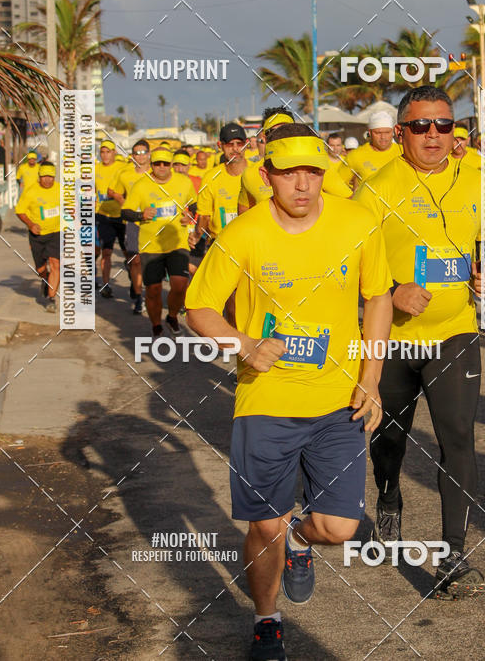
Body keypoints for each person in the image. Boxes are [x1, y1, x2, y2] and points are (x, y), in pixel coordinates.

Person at [185, 123, 392, 661]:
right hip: (266, 401)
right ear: (266, 174)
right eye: (289, 173)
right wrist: (244, 344)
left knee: (339, 527)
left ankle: (299, 539)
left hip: (337, 399)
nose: (302, 184)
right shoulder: (245, 233)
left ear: (325, 174)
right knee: (263, 524)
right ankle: (267, 620)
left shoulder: (358, 222)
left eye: (313, 172)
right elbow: (199, 307)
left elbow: (377, 298)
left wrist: (371, 378)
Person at [356, 85, 485, 600]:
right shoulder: (376, 188)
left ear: (454, 130)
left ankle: (453, 554)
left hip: (455, 332)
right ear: (402, 132)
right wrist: (391, 289)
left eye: (443, 124)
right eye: (419, 126)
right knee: (390, 438)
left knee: (458, 437)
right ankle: (388, 496)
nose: (432, 135)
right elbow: (349, 268)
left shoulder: (479, 177)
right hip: (395, 341)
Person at [121, 148, 197, 336]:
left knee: (180, 284)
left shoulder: (183, 182)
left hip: (178, 242)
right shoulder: (141, 185)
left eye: (165, 163)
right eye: (157, 164)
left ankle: (172, 316)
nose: (161, 167)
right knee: (154, 290)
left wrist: (190, 214)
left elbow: (194, 204)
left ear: (171, 164)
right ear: (152, 165)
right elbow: (125, 211)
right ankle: (156, 325)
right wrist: (141, 214)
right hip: (150, 245)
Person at [109, 139, 152, 315]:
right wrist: (123, 202)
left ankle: (150, 294)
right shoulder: (125, 174)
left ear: (149, 154)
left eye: (143, 152)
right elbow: (113, 191)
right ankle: (139, 296)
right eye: (136, 153)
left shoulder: (157, 172)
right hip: (133, 222)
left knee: (151, 262)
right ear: (132, 156)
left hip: (153, 223)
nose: (140, 156)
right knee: (135, 261)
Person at [15, 161, 60, 313]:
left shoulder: (61, 189)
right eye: (44, 176)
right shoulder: (31, 191)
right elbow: (20, 211)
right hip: (37, 234)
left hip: (56, 232)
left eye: (51, 176)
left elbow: (72, 206)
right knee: (40, 268)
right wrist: (30, 224)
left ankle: (51, 299)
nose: (48, 180)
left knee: (56, 265)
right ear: (39, 176)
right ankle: (44, 278)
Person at [194, 123, 248, 244]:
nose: (235, 149)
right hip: (221, 242)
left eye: (239, 144)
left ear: (246, 144)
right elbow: (204, 216)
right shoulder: (210, 178)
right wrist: (196, 235)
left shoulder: (258, 172)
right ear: (220, 146)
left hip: (252, 241)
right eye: (230, 144)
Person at [95, 139, 126, 298]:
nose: (105, 155)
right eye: (102, 152)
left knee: (128, 253)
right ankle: (106, 285)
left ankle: (134, 282)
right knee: (106, 252)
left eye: (108, 152)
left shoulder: (123, 167)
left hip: (122, 216)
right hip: (103, 215)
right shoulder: (95, 169)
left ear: (114, 153)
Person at [342, 110, 400, 189]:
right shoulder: (356, 155)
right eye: (378, 133)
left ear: (393, 131)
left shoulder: (404, 152)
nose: (383, 137)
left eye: (387, 132)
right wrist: (351, 196)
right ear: (370, 132)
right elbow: (336, 184)